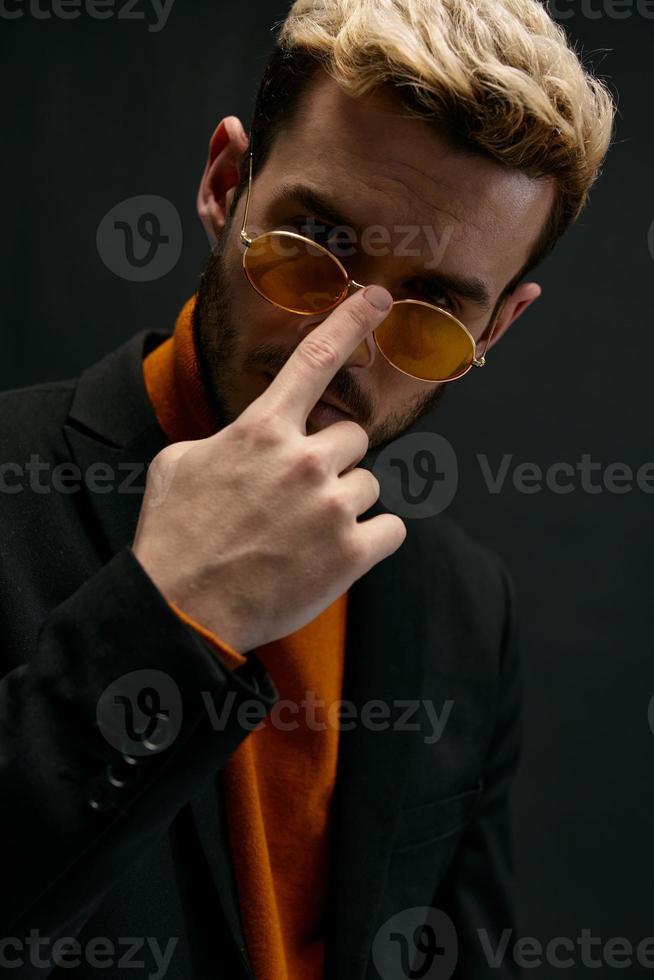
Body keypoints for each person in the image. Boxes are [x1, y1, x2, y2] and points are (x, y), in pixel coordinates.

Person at [0, 1, 614, 977]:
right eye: (317, 238)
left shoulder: (463, 606)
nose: (345, 339)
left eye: (433, 305)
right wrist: (171, 614)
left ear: (494, 331)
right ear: (224, 184)